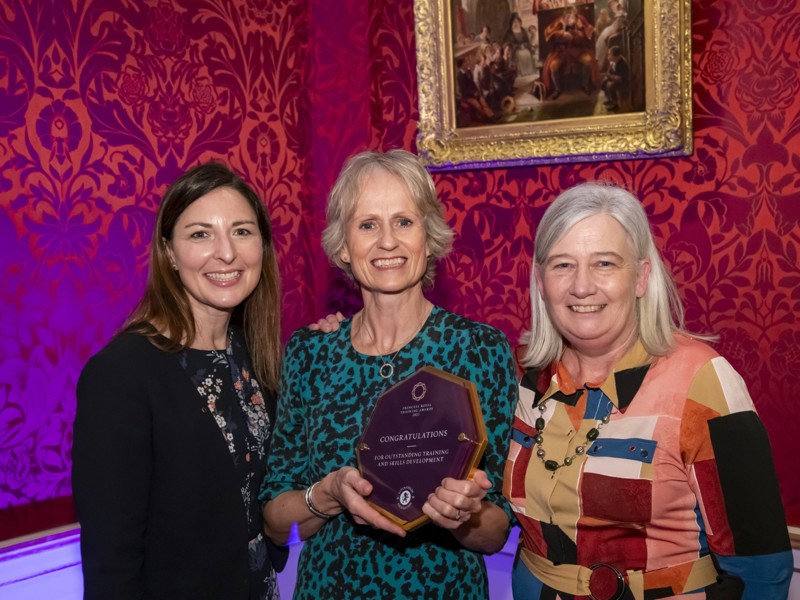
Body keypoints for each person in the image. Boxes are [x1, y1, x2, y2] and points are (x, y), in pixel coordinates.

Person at [504, 183, 793, 599]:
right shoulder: (527, 376)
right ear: (540, 281)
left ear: (641, 277)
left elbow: (762, 570)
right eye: (562, 265)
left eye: (604, 263)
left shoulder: (702, 381)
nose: (581, 286)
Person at [260, 149, 518, 598]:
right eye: (367, 225)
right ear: (343, 245)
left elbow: (494, 532)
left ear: (429, 236)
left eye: (403, 221)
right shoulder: (309, 354)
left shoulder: (480, 350)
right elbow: (275, 520)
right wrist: (327, 494)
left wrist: (463, 514)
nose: (387, 242)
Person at [72, 162, 286, 599]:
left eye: (242, 231)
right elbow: (110, 561)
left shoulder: (255, 358)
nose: (226, 253)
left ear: (262, 246)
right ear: (169, 252)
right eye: (200, 234)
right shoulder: (121, 374)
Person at [601, 45, 630, 111]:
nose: (608, 56)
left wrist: (610, 76)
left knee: (610, 85)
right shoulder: (613, 61)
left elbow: (621, 78)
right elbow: (610, 71)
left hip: (623, 81)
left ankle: (615, 104)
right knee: (604, 82)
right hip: (615, 78)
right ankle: (610, 99)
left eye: (609, 55)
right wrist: (608, 75)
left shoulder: (622, 64)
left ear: (615, 55)